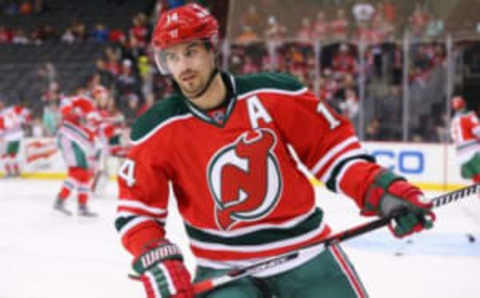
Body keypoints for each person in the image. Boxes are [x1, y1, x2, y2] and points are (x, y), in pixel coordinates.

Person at [116, 3, 435, 298]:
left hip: (306, 254)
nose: (182, 66)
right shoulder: (155, 129)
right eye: (172, 57)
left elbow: (334, 154)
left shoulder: (276, 93)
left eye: (190, 52)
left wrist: (383, 191)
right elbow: (137, 212)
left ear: (212, 49)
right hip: (223, 269)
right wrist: (156, 257)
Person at [53, 92, 99, 216]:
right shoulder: (83, 101)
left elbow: (91, 130)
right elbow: (66, 105)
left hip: (78, 140)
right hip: (69, 137)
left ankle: (82, 206)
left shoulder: (93, 110)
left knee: (84, 173)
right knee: (78, 171)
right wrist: (71, 111)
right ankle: (60, 200)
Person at [450, 96, 480, 187]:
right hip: (472, 150)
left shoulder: (454, 120)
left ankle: (478, 187)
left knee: (475, 175)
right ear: (464, 104)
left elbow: (453, 137)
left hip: (460, 154)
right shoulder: (469, 116)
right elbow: (478, 130)